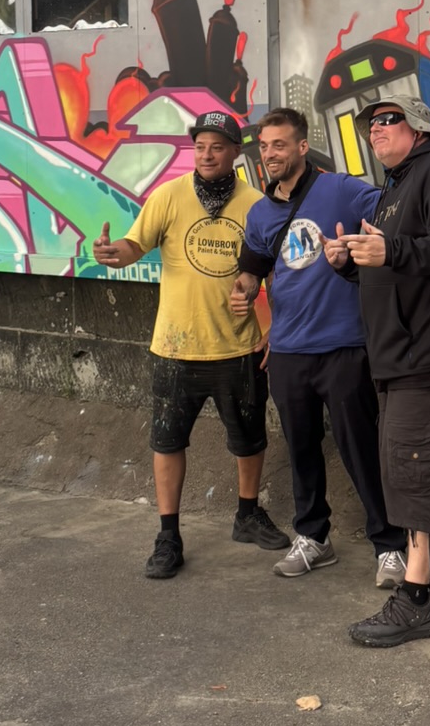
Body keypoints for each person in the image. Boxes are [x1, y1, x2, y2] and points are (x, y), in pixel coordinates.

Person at [324, 93, 430, 647]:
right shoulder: (396, 187)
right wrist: (351, 263)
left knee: (416, 468)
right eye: (369, 125)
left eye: (386, 120)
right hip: (403, 355)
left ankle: (417, 598)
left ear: (417, 125)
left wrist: (391, 252)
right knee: (417, 465)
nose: (374, 130)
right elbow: (395, 263)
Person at [92, 109, 289, 579]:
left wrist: (274, 328)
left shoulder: (257, 205)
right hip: (175, 347)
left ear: (235, 152)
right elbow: (134, 245)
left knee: (249, 439)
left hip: (238, 348)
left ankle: (247, 514)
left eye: (217, 147)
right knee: (167, 441)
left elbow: (276, 272)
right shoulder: (169, 196)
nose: (206, 155)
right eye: (200, 146)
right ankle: (168, 535)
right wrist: (113, 254)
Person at [228, 108, 407, 588]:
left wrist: (363, 249)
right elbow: (252, 270)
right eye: (264, 146)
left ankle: (390, 545)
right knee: (302, 450)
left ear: (302, 147)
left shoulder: (341, 190)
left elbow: (397, 212)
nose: (270, 154)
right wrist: (242, 292)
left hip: (345, 347)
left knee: (361, 449)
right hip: (287, 352)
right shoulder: (260, 212)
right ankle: (313, 537)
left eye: (279, 145)